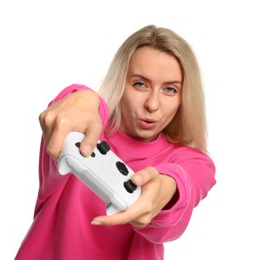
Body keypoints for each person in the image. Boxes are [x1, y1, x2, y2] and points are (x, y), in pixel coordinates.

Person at [15, 25, 216, 259]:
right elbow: (79, 112)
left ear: (184, 98)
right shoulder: (90, 130)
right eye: (140, 84)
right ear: (121, 82)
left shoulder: (191, 161)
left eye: (170, 90)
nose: (152, 104)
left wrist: (165, 188)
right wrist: (82, 96)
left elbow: (186, 181)